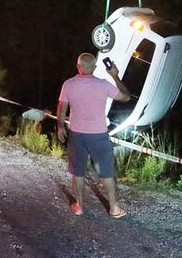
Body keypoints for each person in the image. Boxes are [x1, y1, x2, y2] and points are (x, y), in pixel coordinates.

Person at [56, 53, 131, 218]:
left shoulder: (68, 84)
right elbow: (126, 97)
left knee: (78, 172)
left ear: (78, 67)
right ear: (95, 68)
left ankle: (80, 207)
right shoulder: (103, 85)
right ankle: (114, 209)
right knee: (106, 172)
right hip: (99, 135)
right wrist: (115, 75)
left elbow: (62, 108)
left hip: (77, 134)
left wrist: (60, 127)